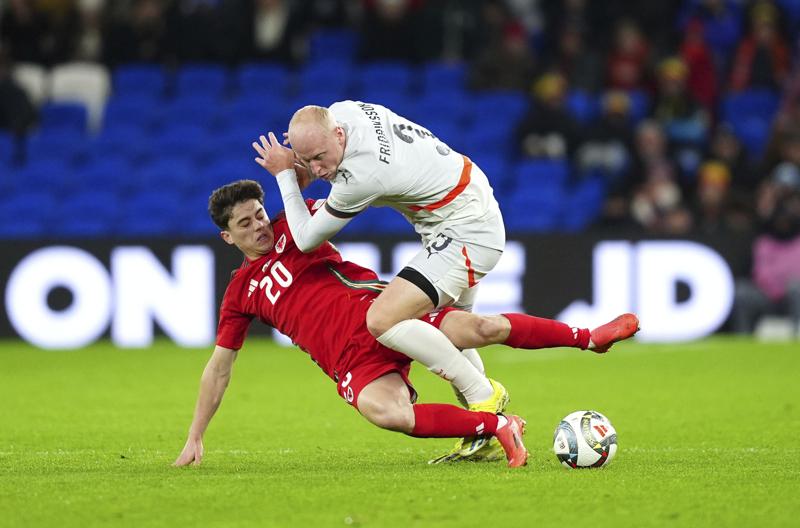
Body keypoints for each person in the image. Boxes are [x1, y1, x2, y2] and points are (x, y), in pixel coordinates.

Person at [173, 180, 639, 468]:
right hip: (350, 359)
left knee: (479, 329)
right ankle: (496, 426)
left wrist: (293, 176)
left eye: (259, 214)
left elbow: (340, 197)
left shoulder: (297, 227)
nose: (259, 226)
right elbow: (219, 368)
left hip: (386, 311)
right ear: (227, 236)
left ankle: (589, 338)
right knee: (387, 414)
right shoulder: (240, 293)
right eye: (246, 224)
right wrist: (196, 434)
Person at [252, 100, 514, 461]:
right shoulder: (344, 111)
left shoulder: (364, 174)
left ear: (339, 135)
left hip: (466, 228)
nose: (317, 168)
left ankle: (483, 396)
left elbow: (306, 239)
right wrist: (310, 158)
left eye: (320, 157)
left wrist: (286, 175)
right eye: (308, 160)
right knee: (455, 330)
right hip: (464, 201)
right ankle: (484, 437)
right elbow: (321, 137)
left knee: (381, 319)